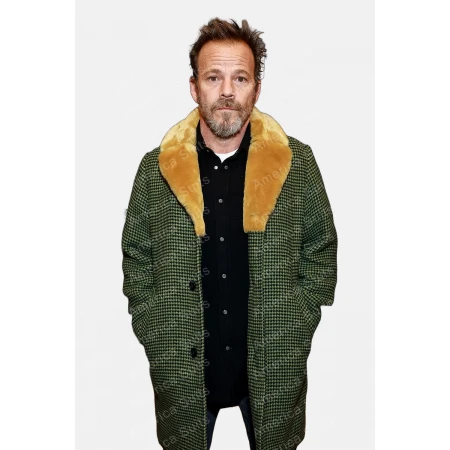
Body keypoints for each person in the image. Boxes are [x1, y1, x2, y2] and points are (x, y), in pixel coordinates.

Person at [122, 17, 338, 450]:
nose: (226, 91)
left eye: (240, 78)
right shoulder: (155, 170)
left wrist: (298, 321)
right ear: (194, 87)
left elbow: (321, 248)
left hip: (274, 366)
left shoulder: (296, 164)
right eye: (213, 77)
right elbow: (136, 258)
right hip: (182, 371)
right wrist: (153, 327)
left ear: (256, 89)